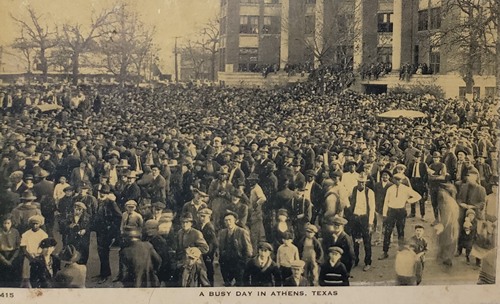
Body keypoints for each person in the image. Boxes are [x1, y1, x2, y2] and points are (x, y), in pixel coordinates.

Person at [380, 173, 421, 260]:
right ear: (393, 180)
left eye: (400, 180)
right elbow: (386, 201)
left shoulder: (406, 189)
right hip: (391, 211)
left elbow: (418, 196)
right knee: (388, 232)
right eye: (396, 179)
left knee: (400, 231)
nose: (398, 181)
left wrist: (408, 200)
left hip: (401, 211)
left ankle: (401, 252)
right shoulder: (390, 189)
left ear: (402, 180)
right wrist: (384, 214)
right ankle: (385, 252)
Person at [218, 211, 253, 287]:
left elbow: (249, 250)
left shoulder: (242, 232)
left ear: (235, 221)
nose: (228, 222)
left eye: (230, 220)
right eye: (226, 220)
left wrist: (244, 263)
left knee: (240, 285)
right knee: (227, 284)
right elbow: (220, 248)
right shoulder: (222, 233)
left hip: (239, 263)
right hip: (226, 264)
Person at [348, 173, 375, 271]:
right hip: (355, 218)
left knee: (367, 241)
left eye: (363, 183)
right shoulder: (354, 190)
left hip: (365, 219)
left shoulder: (369, 192)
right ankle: (356, 260)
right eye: (360, 182)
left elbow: (372, 208)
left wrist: (370, 223)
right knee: (355, 241)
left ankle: (368, 262)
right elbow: (351, 202)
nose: (361, 184)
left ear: (365, 183)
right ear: (357, 182)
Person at [435, 182, 460, 266]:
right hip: (453, 223)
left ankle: (447, 258)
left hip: (449, 224)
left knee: (448, 241)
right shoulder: (450, 200)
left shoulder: (446, 202)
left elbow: (446, 215)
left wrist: (442, 225)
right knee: (450, 240)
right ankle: (445, 257)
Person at [20, 215, 48, 287]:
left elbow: (45, 248)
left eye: (37, 224)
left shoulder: (43, 235)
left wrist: (39, 257)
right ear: (30, 224)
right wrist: (30, 257)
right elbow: (23, 247)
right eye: (33, 224)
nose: (35, 225)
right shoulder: (26, 234)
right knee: (27, 275)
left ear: (40, 224)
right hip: (28, 256)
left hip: (39, 256)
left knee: (40, 274)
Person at [197, 208, 217, 287]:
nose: (202, 218)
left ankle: (211, 285)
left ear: (208, 217)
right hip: (204, 251)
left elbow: (213, 243)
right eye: (201, 216)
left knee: (209, 269)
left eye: (204, 216)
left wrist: (209, 254)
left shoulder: (209, 227)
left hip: (208, 252)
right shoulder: (202, 226)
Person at [0, 214, 21, 287]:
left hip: (13, 255)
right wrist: (4, 260)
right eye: (4, 223)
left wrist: (12, 259)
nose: (6, 225)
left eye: (8, 223)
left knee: (14, 276)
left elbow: (18, 247)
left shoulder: (15, 232)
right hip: (2, 256)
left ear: (11, 223)